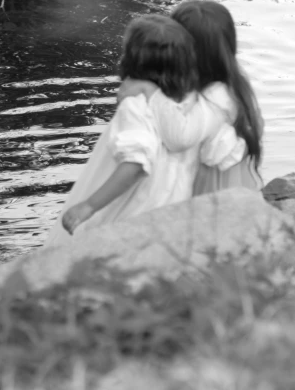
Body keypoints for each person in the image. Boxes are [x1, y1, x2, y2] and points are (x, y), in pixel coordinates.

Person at [46, 14, 245, 243]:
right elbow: (210, 150)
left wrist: (89, 205)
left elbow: (136, 165)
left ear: (131, 59)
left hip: (135, 215)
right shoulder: (191, 104)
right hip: (172, 215)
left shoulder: (136, 106)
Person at [118, 0, 263, 195]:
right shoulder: (225, 81)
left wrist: (150, 92)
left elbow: (178, 138)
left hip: (213, 194)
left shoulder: (217, 98)